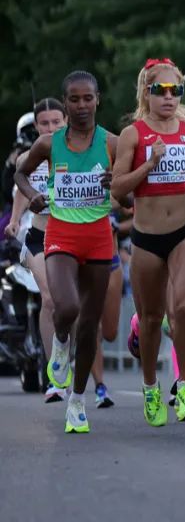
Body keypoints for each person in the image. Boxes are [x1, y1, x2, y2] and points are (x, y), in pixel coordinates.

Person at [14, 71, 119, 433]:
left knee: (89, 325)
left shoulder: (112, 143)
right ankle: (60, 344)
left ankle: (76, 400)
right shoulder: (48, 143)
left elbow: (131, 193)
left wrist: (115, 183)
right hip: (60, 232)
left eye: (87, 98)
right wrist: (32, 196)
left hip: (99, 235)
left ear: (97, 100)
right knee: (66, 307)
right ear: (66, 101)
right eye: (73, 99)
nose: (81, 105)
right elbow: (20, 174)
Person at [111, 58, 185, 426]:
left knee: (183, 308)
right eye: (160, 91)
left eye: (175, 91)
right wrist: (148, 166)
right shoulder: (134, 134)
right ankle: (151, 386)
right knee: (150, 319)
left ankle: (184, 386)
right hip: (148, 237)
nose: (168, 97)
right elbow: (118, 191)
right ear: (146, 93)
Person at [4, 99, 66, 403]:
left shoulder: (81, 152)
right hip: (38, 237)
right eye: (44, 123)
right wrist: (15, 222)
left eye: (56, 122)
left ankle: (65, 355)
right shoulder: (29, 157)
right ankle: (54, 376)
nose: (51, 128)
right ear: (35, 127)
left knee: (73, 307)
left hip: (74, 236)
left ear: (66, 121)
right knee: (50, 299)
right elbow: (20, 191)